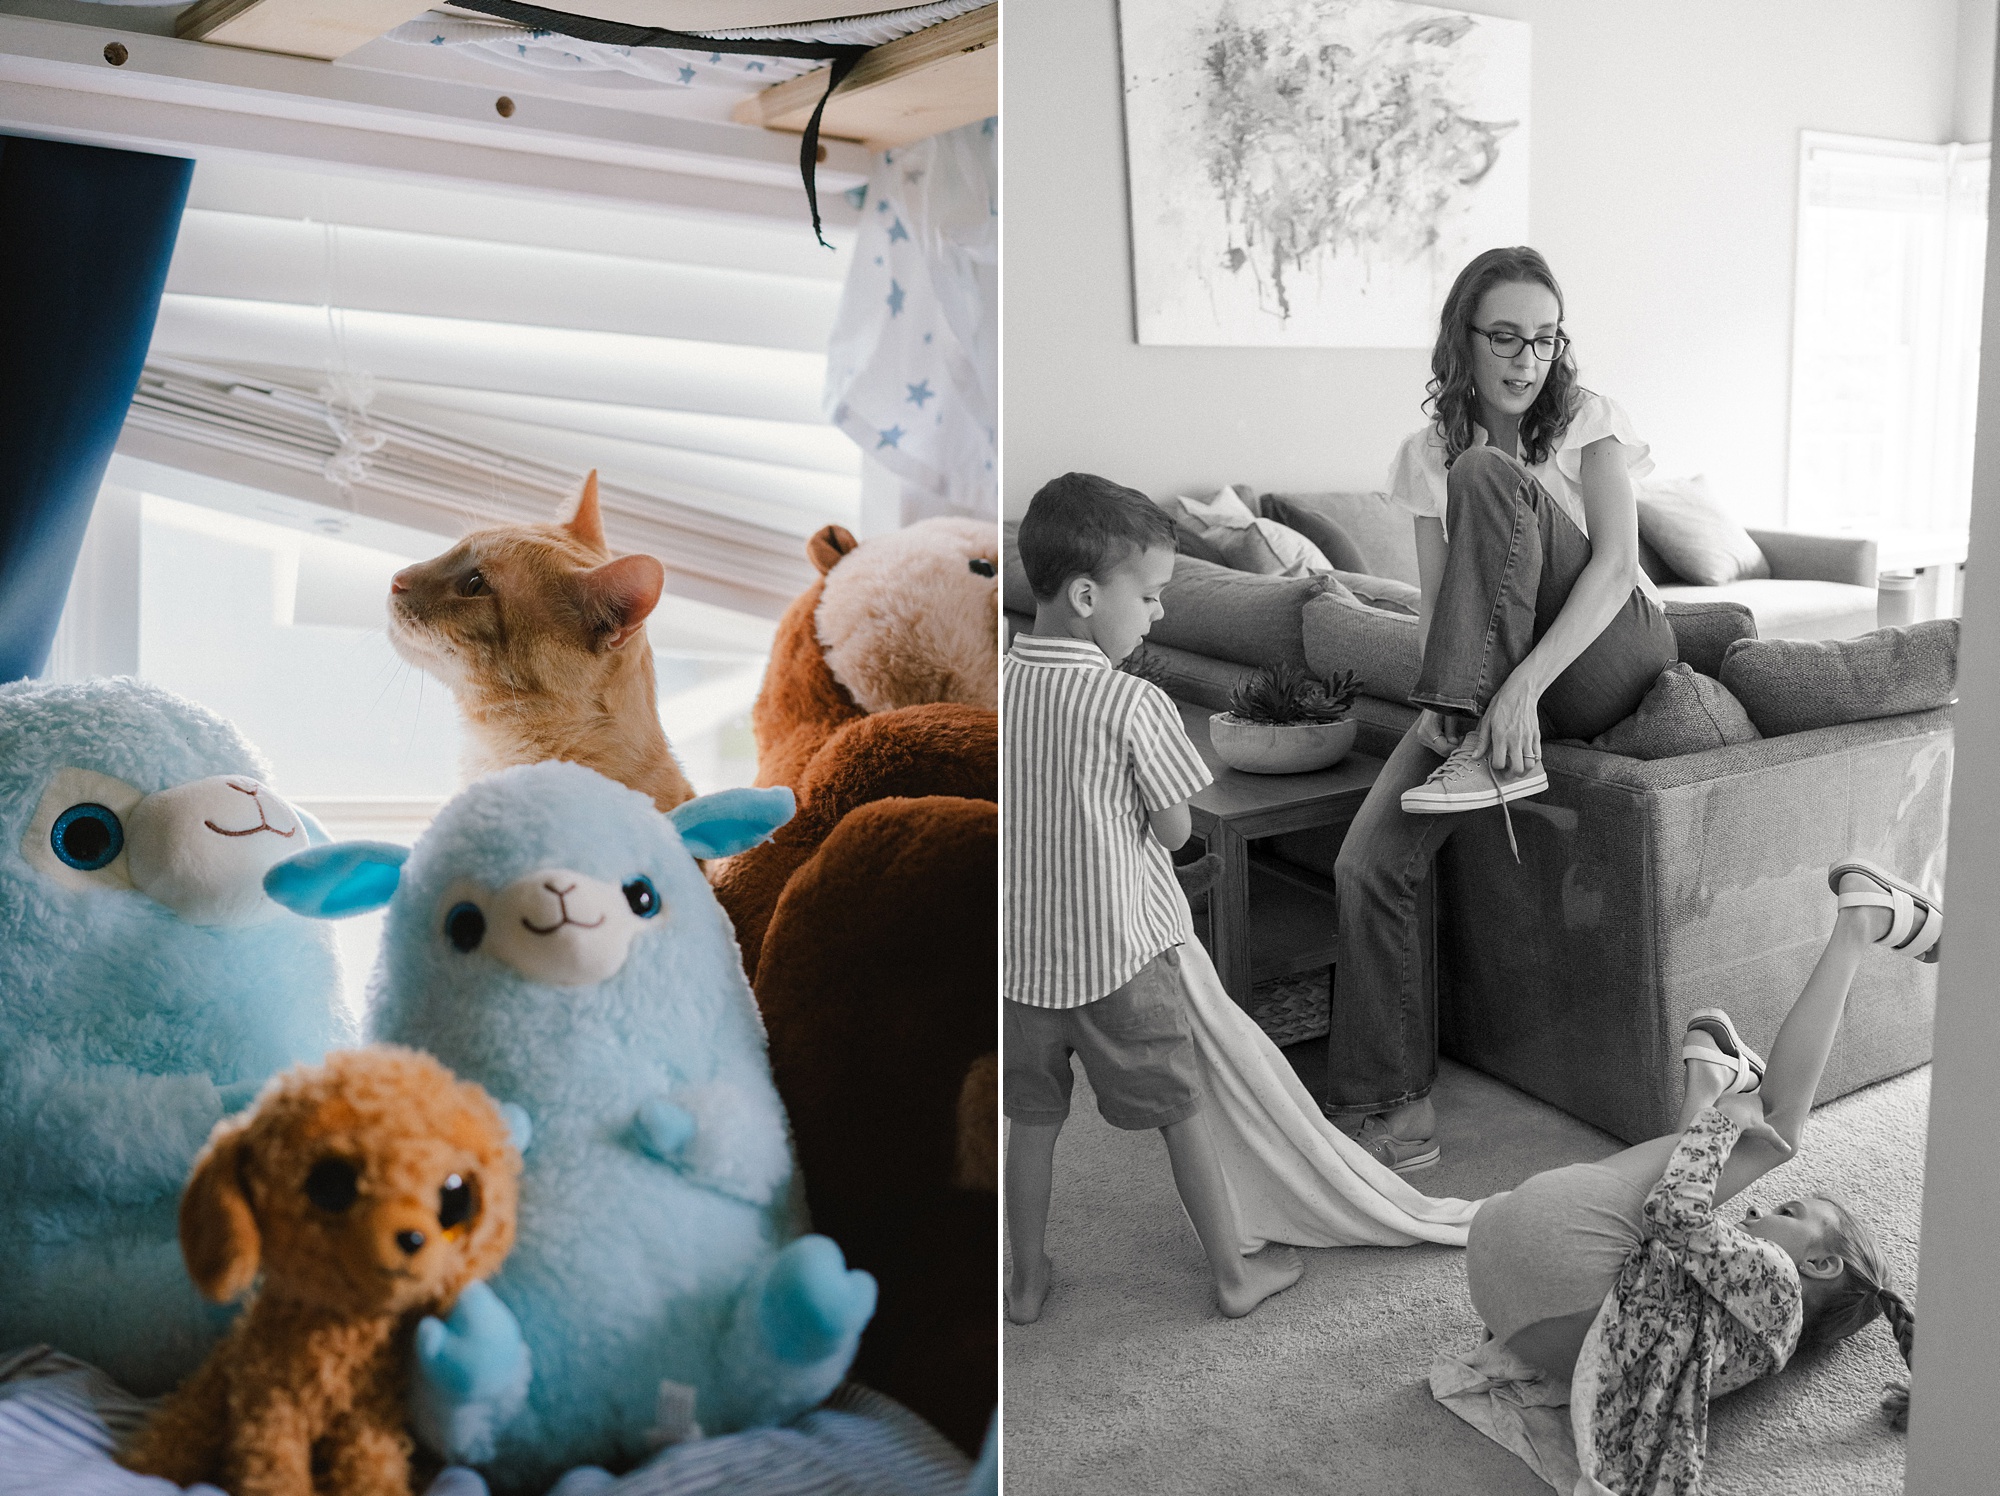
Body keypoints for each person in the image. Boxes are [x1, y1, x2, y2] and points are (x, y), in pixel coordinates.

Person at [1325, 245, 1679, 1171]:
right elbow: (1448, 609)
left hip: (1611, 649)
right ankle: (1396, 1110)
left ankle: (1480, 732)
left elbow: (1611, 570)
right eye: (1507, 338)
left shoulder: (1588, 422)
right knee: (1366, 860)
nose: (1528, 359)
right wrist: (1446, 708)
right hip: (1490, 687)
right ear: (1464, 340)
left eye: (1546, 338)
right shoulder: (1423, 454)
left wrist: (1516, 688)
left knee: (1487, 473)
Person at [1460, 859, 1931, 1493]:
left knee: (1778, 1134)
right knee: (1673, 1229)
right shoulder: (1746, 1324)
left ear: (1819, 1266)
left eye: (1789, 1213)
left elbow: (1673, 1215)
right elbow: (1669, 1250)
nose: (1760, 1213)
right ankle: (1709, 1074)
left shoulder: (1778, 1292)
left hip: (1545, 1249)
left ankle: (1859, 923)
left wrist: (1727, 1124)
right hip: (1513, 1283)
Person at [1001, 471, 1302, 1324]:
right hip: (1117, 961)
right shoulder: (1132, 702)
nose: (1159, 614)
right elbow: (1175, 832)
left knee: (1030, 1123)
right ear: (1091, 595)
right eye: (1153, 595)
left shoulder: (999, 687)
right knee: (1181, 1112)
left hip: (1020, 966)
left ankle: (1023, 1284)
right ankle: (1233, 1278)